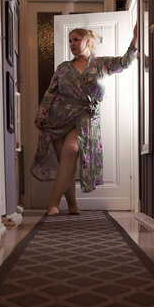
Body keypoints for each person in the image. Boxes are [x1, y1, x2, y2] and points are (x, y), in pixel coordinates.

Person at [30, 23, 138, 216]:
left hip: (85, 117)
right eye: (70, 40)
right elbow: (50, 92)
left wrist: (135, 39)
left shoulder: (101, 64)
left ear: (87, 41)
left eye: (76, 39)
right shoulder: (63, 68)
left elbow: (124, 63)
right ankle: (72, 205)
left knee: (71, 149)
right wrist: (41, 114)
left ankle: (53, 203)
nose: (72, 43)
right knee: (66, 160)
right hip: (58, 118)